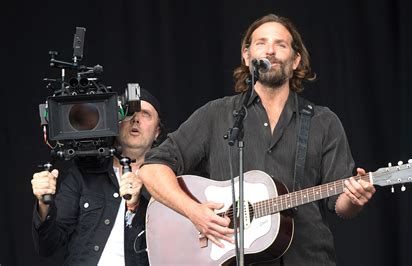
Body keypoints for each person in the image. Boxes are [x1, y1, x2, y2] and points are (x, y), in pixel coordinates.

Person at [139, 14, 376, 265]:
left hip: (306, 257)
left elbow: (340, 206)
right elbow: (153, 168)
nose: (271, 51)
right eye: (261, 43)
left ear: (296, 60)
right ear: (246, 55)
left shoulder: (323, 121)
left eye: (281, 44)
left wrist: (354, 198)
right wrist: (194, 212)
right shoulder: (216, 114)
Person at [31, 89, 164, 265]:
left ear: (157, 132)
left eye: (146, 114)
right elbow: (47, 246)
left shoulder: (168, 180)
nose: (136, 119)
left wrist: (138, 204)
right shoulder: (82, 174)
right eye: (129, 112)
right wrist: (43, 205)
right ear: (115, 123)